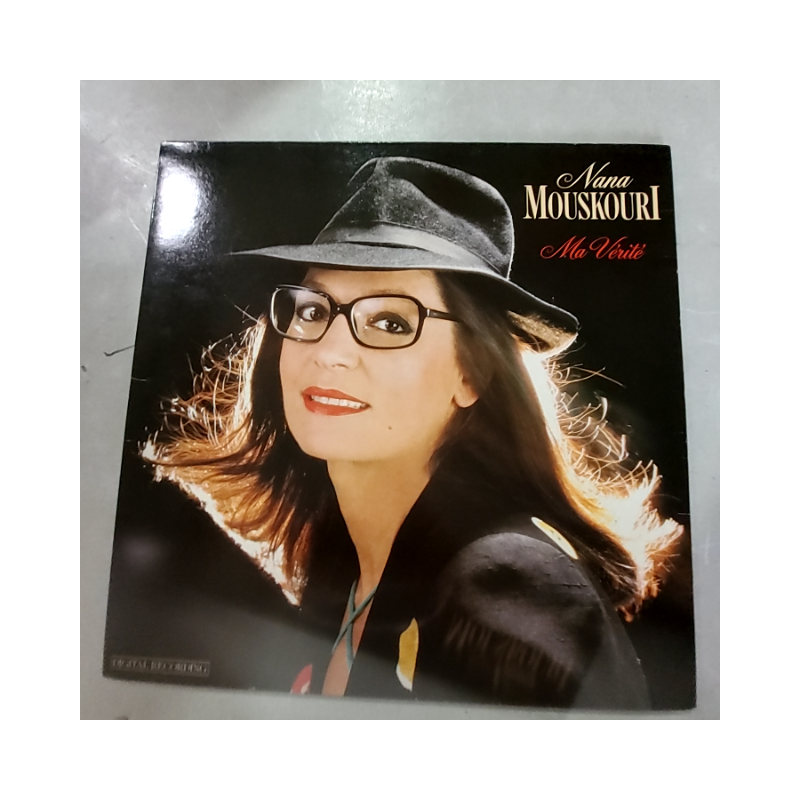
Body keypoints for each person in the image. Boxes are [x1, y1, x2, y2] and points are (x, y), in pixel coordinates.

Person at [143, 157, 682, 708]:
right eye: (312, 311)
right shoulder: (342, 573)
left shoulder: (508, 576)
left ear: (473, 373)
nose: (329, 352)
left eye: (391, 323)